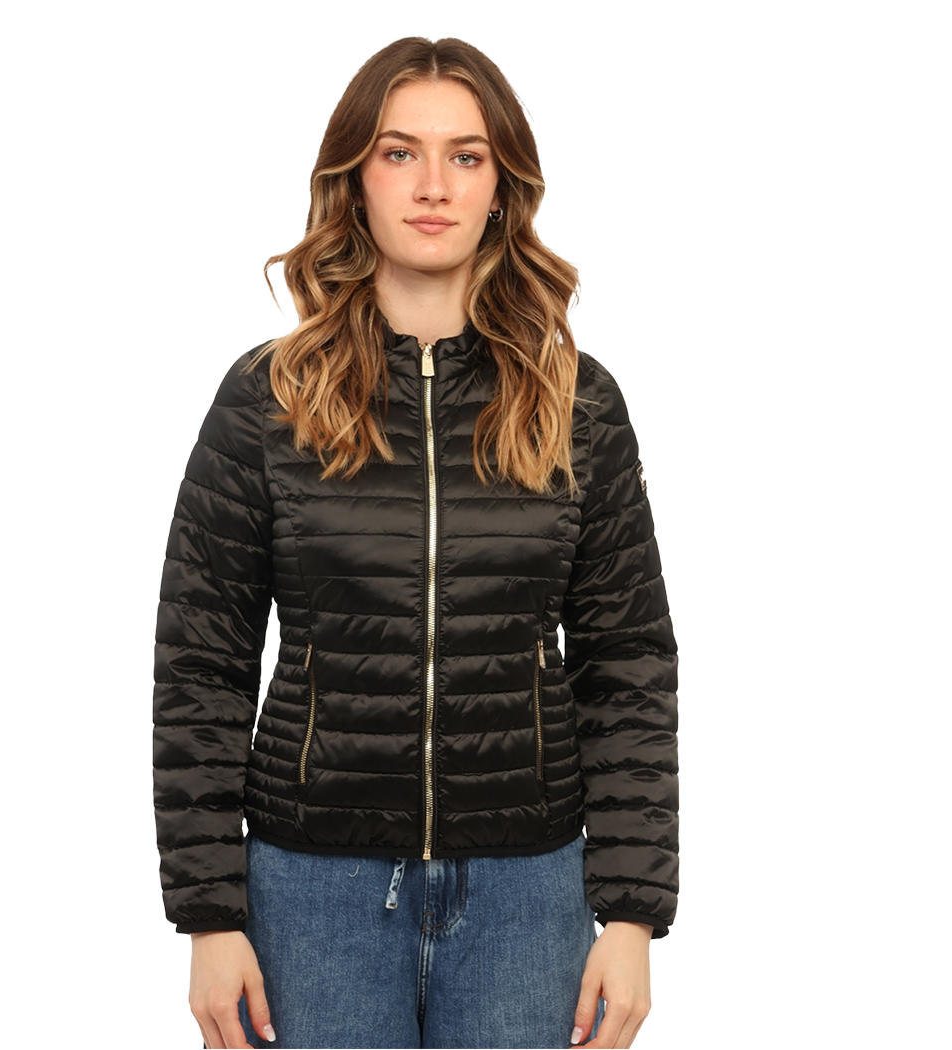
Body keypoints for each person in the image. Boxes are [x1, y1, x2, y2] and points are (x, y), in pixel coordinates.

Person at [153, 36, 678, 1050]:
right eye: (399, 153)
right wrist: (210, 916)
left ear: (502, 186)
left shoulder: (576, 404)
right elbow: (199, 667)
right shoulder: (269, 399)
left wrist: (631, 915)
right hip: (313, 892)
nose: (433, 185)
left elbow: (628, 665)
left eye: (465, 156)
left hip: (528, 893)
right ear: (354, 180)